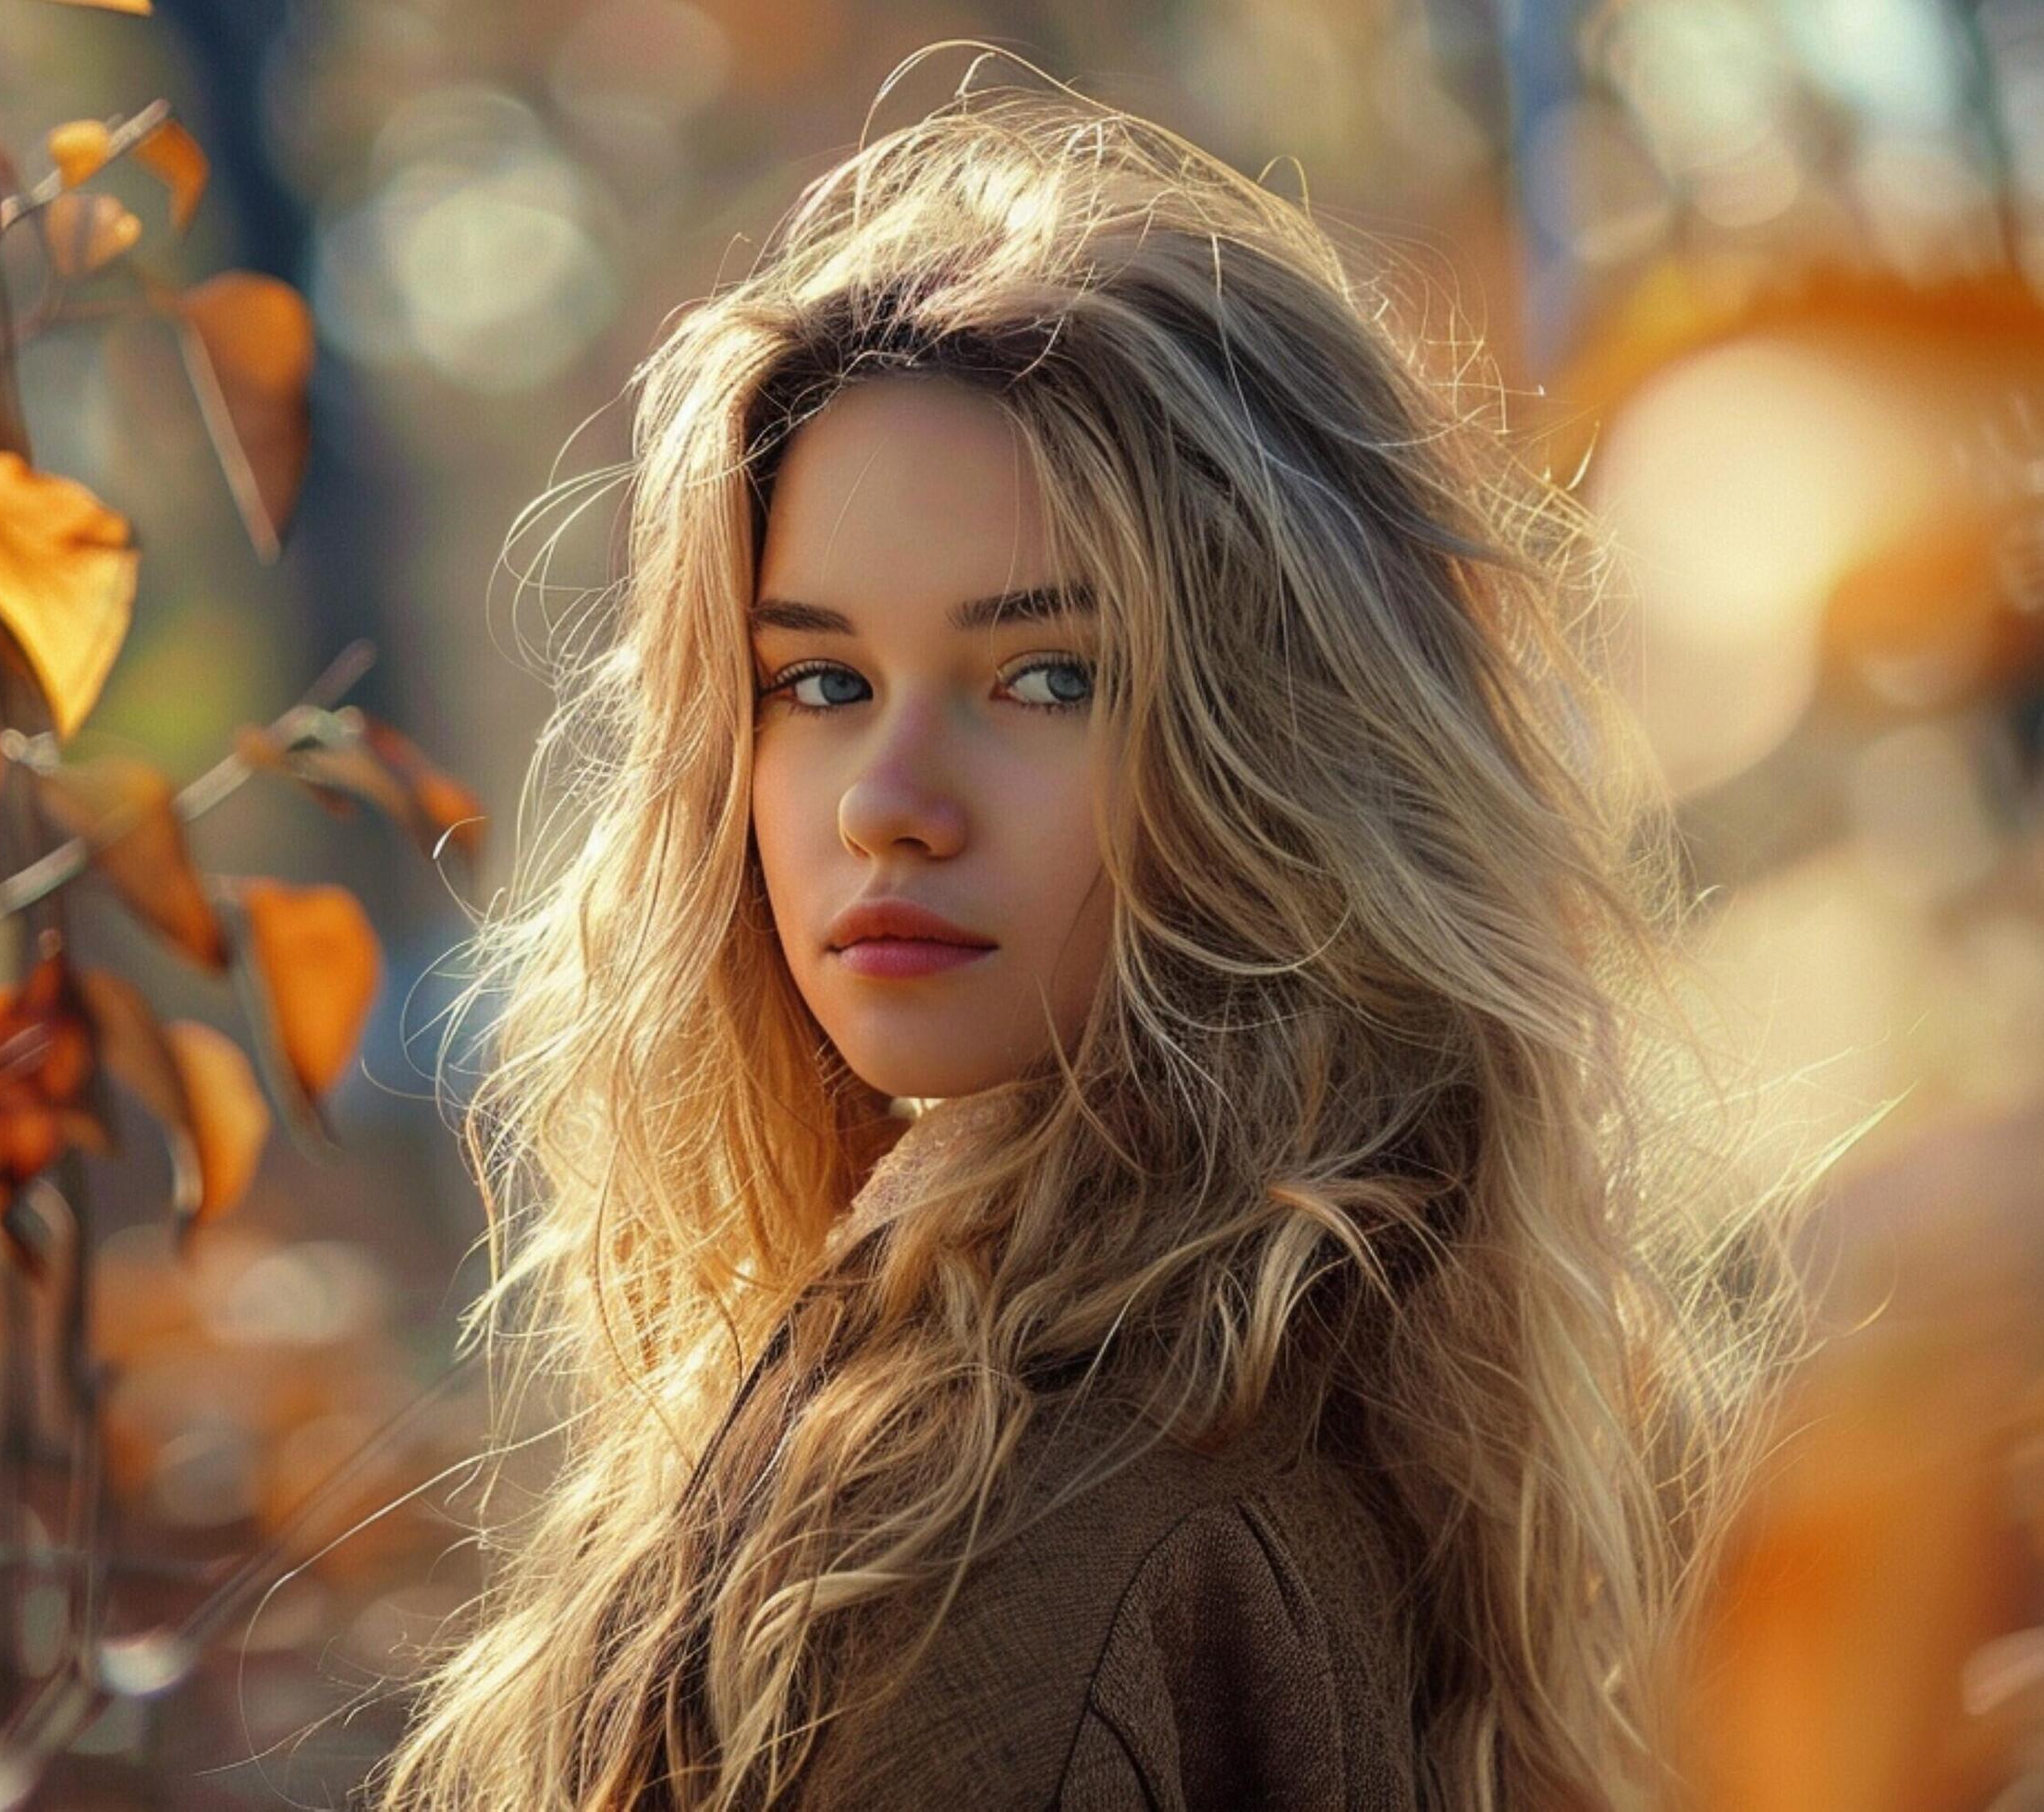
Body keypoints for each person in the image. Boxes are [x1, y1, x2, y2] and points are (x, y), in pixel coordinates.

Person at [377, 47, 1824, 1812]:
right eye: (818, 680)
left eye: (1045, 676)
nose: (885, 798)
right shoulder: (1283, 1396)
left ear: (1278, 746)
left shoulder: (1031, 1538)